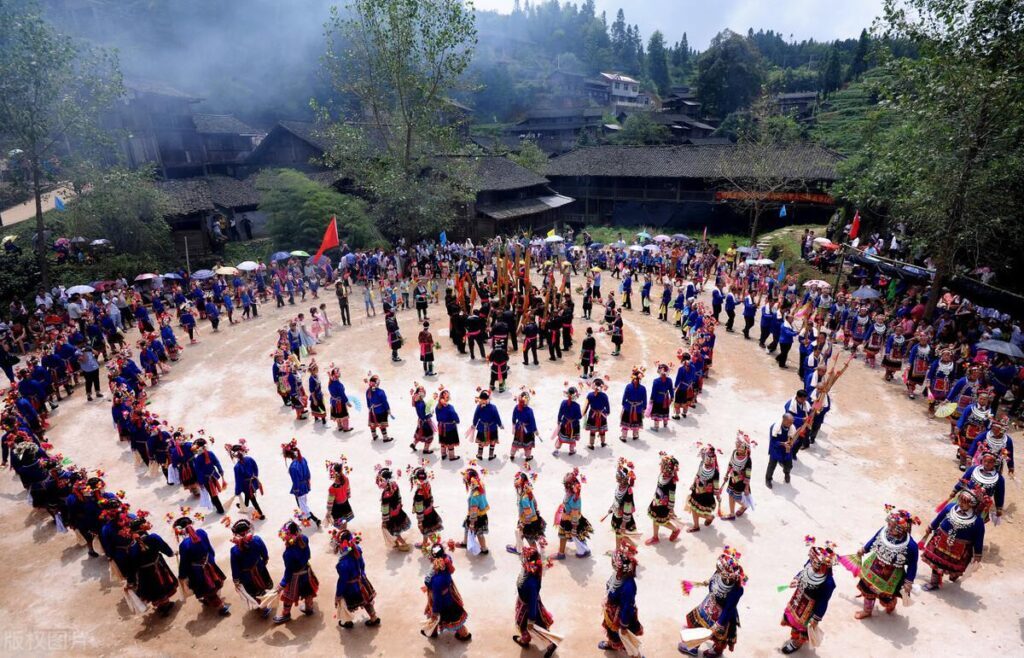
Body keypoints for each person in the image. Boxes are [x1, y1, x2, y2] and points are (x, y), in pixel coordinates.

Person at [678, 547, 745, 657]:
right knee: (697, 622)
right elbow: (714, 577)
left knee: (718, 636)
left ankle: (716, 651)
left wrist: (717, 626)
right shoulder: (719, 573)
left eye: (719, 570)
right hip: (709, 603)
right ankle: (693, 646)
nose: (717, 571)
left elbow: (728, 609)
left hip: (722, 615)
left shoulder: (737, 590)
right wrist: (707, 582)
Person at [854, 506, 919, 619]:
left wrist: (909, 581)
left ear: (902, 529)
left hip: (893, 575)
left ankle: (890, 605)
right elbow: (874, 539)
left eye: (894, 527)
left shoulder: (911, 546)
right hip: (874, 566)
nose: (889, 527)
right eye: (889, 524)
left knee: (887, 596)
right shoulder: (883, 531)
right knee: (867, 589)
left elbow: (913, 565)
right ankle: (867, 611)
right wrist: (864, 549)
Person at [919, 487, 987, 592]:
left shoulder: (978, 522)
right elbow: (939, 518)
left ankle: (954, 576)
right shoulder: (950, 508)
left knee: (956, 567)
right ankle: (934, 583)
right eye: (960, 500)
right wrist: (931, 527)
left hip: (961, 549)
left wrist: (978, 554)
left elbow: (979, 538)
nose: (961, 503)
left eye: (965, 503)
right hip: (941, 541)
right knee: (936, 562)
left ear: (972, 504)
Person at [780, 539, 837, 654]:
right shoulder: (812, 564)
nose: (812, 565)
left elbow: (823, 602)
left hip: (810, 608)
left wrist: (815, 619)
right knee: (793, 618)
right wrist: (796, 579)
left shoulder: (828, 583)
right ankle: (795, 636)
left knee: (801, 626)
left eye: (815, 564)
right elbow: (803, 571)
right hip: (799, 597)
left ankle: (797, 642)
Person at [174, 516, 231, 616]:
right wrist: (211, 561)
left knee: (207, 588)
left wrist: (182, 575)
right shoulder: (201, 532)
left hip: (197, 571)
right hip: (209, 563)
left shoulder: (184, 545)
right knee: (212, 584)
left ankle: (221, 607)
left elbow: (184, 562)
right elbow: (210, 549)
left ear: (181, 530)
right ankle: (207, 599)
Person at [125, 511, 179, 616]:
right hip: (158, 565)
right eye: (145, 523)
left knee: (152, 587)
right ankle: (166, 604)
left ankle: (160, 605)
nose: (148, 524)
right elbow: (164, 547)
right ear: (142, 527)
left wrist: (131, 580)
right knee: (162, 584)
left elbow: (132, 565)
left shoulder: (132, 547)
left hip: (144, 572)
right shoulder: (153, 537)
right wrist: (171, 553)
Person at [421, 542, 472, 642]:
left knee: (439, 617)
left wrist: (435, 611)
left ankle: (463, 634)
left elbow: (437, 598)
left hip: (442, 601)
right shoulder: (446, 561)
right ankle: (462, 634)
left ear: (433, 559)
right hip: (449, 596)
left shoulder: (437, 579)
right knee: (453, 617)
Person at [513, 546, 559, 656]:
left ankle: (550, 644)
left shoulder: (532, 582)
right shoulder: (529, 570)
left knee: (533, 627)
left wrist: (531, 620)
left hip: (529, 608)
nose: (523, 559)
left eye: (525, 558)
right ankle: (525, 639)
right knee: (527, 626)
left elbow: (532, 601)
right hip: (524, 602)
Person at [599, 543, 643, 655]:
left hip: (622, 618)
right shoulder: (617, 575)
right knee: (612, 633)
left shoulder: (628, 586)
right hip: (611, 612)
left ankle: (636, 655)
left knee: (627, 639)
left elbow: (627, 607)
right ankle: (612, 644)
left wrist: (624, 625)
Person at [273, 522, 319, 624]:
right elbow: (308, 555)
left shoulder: (288, 554)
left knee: (288, 596)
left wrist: (282, 584)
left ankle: (285, 614)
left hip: (295, 577)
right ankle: (309, 609)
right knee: (308, 592)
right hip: (306, 571)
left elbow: (289, 571)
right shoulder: (304, 538)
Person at [333, 529, 380, 628]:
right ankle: (373, 617)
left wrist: (338, 594)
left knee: (345, 602)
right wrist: (362, 575)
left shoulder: (343, 564)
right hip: (361, 579)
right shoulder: (357, 549)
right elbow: (362, 565)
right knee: (367, 600)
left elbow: (343, 580)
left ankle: (347, 621)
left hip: (351, 586)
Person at [229, 520, 274, 618]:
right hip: (259, 568)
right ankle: (265, 606)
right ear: (248, 530)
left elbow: (235, 567)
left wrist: (236, 580)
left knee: (253, 591)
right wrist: (264, 561)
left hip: (246, 576)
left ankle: (261, 606)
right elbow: (264, 554)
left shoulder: (234, 550)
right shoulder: (257, 540)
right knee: (263, 587)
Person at [555, 467, 592, 559]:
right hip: (567, 518)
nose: (564, 487)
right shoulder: (569, 493)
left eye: (566, 485)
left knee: (574, 536)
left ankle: (583, 551)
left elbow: (575, 514)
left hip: (572, 521)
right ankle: (561, 553)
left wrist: (574, 528)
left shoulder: (575, 498)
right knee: (565, 536)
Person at [282, 439, 321, 527]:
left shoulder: (293, 467)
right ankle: (307, 517)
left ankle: (315, 519)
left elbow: (295, 482)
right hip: (305, 484)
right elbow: (308, 473)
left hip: (299, 487)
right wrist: (308, 482)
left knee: (302, 505)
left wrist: (296, 491)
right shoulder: (303, 459)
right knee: (303, 503)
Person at [507, 471, 547, 557]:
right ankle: (518, 547)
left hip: (528, 522)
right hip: (530, 519)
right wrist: (535, 511)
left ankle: (536, 556)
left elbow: (528, 513)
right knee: (520, 534)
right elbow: (535, 503)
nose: (515, 480)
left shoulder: (524, 497)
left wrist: (523, 523)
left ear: (522, 482)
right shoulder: (528, 491)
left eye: (517, 479)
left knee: (530, 540)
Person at [645, 452, 682, 545]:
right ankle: (655, 537)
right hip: (656, 501)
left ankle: (675, 529)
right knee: (655, 519)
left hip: (664, 506)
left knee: (662, 521)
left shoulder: (671, 481)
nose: (660, 466)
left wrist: (671, 510)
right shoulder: (662, 475)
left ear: (667, 468)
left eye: (662, 465)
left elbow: (672, 497)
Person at [685, 444, 720, 532]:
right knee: (695, 508)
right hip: (697, 490)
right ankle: (699, 523)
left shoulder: (714, 471)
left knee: (695, 509)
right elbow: (697, 475)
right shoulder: (705, 466)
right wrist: (693, 484)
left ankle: (705, 520)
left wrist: (717, 495)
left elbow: (716, 485)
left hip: (704, 495)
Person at [226, 440, 264, 520]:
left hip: (245, 485)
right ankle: (244, 505)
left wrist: (237, 491)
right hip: (253, 481)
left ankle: (260, 514)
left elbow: (238, 481)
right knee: (250, 496)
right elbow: (256, 468)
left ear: (235, 456)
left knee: (253, 500)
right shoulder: (249, 459)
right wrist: (255, 477)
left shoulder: (237, 467)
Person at [376, 466, 411, 551]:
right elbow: (399, 497)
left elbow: (385, 509)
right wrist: (399, 505)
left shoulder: (385, 494)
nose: (380, 482)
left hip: (391, 516)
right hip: (398, 511)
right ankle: (397, 543)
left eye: (382, 480)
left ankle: (404, 544)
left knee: (394, 532)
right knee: (396, 530)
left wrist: (385, 520)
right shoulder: (395, 485)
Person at [719, 432, 754, 520]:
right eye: (737, 444)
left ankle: (745, 506)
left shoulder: (748, 460)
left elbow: (748, 475)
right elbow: (730, 463)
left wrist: (746, 487)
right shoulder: (734, 452)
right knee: (730, 494)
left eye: (740, 445)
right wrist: (726, 474)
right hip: (732, 478)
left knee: (736, 497)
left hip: (741, 482)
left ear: (745, 448)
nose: (737, 447)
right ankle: (731, 514)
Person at [409, 466, 444, 547]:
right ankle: (425, 543)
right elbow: (431, 497)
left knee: (428, 531)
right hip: (431, 511)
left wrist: (420, 522)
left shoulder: (419, 493)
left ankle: (437, 546)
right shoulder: (427, 485)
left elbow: (419, 509)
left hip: (425, 516)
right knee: (429, 530)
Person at [608, 458, 638, 548]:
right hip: (617, 514)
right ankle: (622, 548)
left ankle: (625, 549)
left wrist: (624, 524)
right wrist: (612, 507)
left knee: (620, 534)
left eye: (618, 478)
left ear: (624, 479)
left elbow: (628, 508)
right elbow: (616, 499)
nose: (617, 480)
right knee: (620, 535)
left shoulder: (628, 491)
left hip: (623, 519)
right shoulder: (619, 486)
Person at [191, 438, 226, 514]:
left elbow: (198, 471)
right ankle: (214, 503)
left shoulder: (198, 459)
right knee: (213, 492)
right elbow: (217, 462)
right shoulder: (210, 453)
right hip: (213, 475)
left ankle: (220, 509)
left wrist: (200, 482)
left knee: (212, 493)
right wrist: (220, 470)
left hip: (206, 479)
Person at [460, 467, 490, 555]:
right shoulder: (481, 485)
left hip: (476, 517)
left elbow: (474, 511)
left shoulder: (474, 495)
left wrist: (472, 523)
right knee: (467, 529)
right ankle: (466, 543)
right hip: (483, 515)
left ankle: (483, 548)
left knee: (478, 533)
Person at [766, 413, 798, 489]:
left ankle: (787, 474)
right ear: (783, 420)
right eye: (789, 422)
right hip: (776, 449)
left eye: (791, 422)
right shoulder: (774, 427)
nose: (791, 424)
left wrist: (791, 443)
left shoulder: (792, 428)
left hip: (786, 450)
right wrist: (783, 444)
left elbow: (795, 439)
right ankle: (768, 479)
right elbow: (773, 441)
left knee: (789, 465)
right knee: (772, 465)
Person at [471, 389, 503, 461]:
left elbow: (476, 416)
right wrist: (500, 424)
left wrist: (474, 424)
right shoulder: (492, 407)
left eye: (482, 399)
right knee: (491, 441)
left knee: (483, 441)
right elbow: (497, 417)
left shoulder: (479, 407)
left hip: (482, 427)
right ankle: (490, 455)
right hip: (492, 427)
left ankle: (480, 455)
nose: (482, 401)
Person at [324, 458, 354, 530]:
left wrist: (328, 512)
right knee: (345, 520)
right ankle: (345, 532)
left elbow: (330, 502)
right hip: (345, 504)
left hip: (337, 508)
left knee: (339, 524)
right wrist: (347, 495)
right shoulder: (346, 479)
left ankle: (342, 534)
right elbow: (348, 491)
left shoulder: (332, 488)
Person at [552, 386, 582, 457]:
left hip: (564, 423)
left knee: (560, 438)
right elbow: (579, 416)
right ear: (575, 396)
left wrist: (558, 421)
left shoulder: (563, 403)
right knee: (572, 439)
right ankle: (571, 451)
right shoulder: (577, 406)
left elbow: (560, 413)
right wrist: (573, 419)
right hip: (574, 425)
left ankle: (556, 450)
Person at [620, 367, 647, 442]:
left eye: (636, 379)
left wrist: (623, 404)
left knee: (628, 421)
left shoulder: (629, 386)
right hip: (635, 407)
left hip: (630, 407)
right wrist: (644, 407)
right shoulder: (642, 388)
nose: (635, 381)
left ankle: (626, 436)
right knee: (635, 421)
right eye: (634, 379)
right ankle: (630, 436)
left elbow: (624, 397)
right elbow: (644, 399)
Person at [510, 390, 538, 462]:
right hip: (527, 430)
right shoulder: (529, 410)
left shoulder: (516, 407)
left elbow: (513, 418)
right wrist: (535, 430)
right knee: (527, 444)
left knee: (516, 442)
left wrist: (513, 425)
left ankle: (512, 454)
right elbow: (532, 421)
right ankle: (528, 456)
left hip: (518, 428)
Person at [434, 387, 461, 461]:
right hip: (450, 427)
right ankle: (451, 456)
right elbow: (454, 415)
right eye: (447, 396)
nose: (448, 397)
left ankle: (443, 454)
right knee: (451, 442)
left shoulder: (437, 407)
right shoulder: (450, 407)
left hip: (441, 426)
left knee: (443, 441)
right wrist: (457, 421)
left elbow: (437, 418)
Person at [584, 378, 611, 449]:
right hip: (602, 415)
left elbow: (586, 406)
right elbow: (607, 406)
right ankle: (603, 442)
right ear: (601, 387)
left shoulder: (590, 395)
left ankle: (591, 444)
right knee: (602, 430)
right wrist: (607, 412)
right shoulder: (604, 396)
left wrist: (584, 413)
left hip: (592, 415)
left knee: (592, 431)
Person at [410, 384, 436, 455]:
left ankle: (414, 444)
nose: (423, 392)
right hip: (425, 422)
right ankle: (426, 449)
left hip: (420, 421)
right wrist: (431, 413)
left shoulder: (417, 402)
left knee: (419, 433)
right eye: (422, 391)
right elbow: (424, 414)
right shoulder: (421, 403)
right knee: (429, 436)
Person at [365, 374, 392, 442]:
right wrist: (388, 409)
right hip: (380, 411)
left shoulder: (368, 391)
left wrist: (369, 408)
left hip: (372, 410)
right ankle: (385, 438)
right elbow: (384, 402)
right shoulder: (381, 392)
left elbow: (368, 402)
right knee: (382, 424)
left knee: (372, 424)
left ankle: (374, 435)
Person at [328, 365, 352, 432]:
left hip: (333, 401)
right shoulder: (338, 384)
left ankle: (339, 426)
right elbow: (342, 394)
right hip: (340, 402)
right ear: (336, 375)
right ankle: (346, 428)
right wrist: (347, 402)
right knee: (344, 415)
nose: (340, 373)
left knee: (337, 414)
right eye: (338, 372)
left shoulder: (330, 383)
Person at [649, 364, 673, 431]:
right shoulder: (669, 380)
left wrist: (651, 399)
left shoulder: (656, 381)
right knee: (665, 411)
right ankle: (665, 424)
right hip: (666, 399)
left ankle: (656, 427)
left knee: (656, 412)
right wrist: (672, 397)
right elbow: (671, 389)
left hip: (658, 399)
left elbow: (653, 392)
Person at [307, 360, 327, 425]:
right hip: (315, 396)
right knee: (320, 407)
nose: (318, 370)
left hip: (319, 394)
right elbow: (312, 391)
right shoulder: (311, 379)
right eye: (316, 369)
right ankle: (324, 421)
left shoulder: (316, 376)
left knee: (316, 406)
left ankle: (317, 419)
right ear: (313, 370)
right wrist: (314, 399)